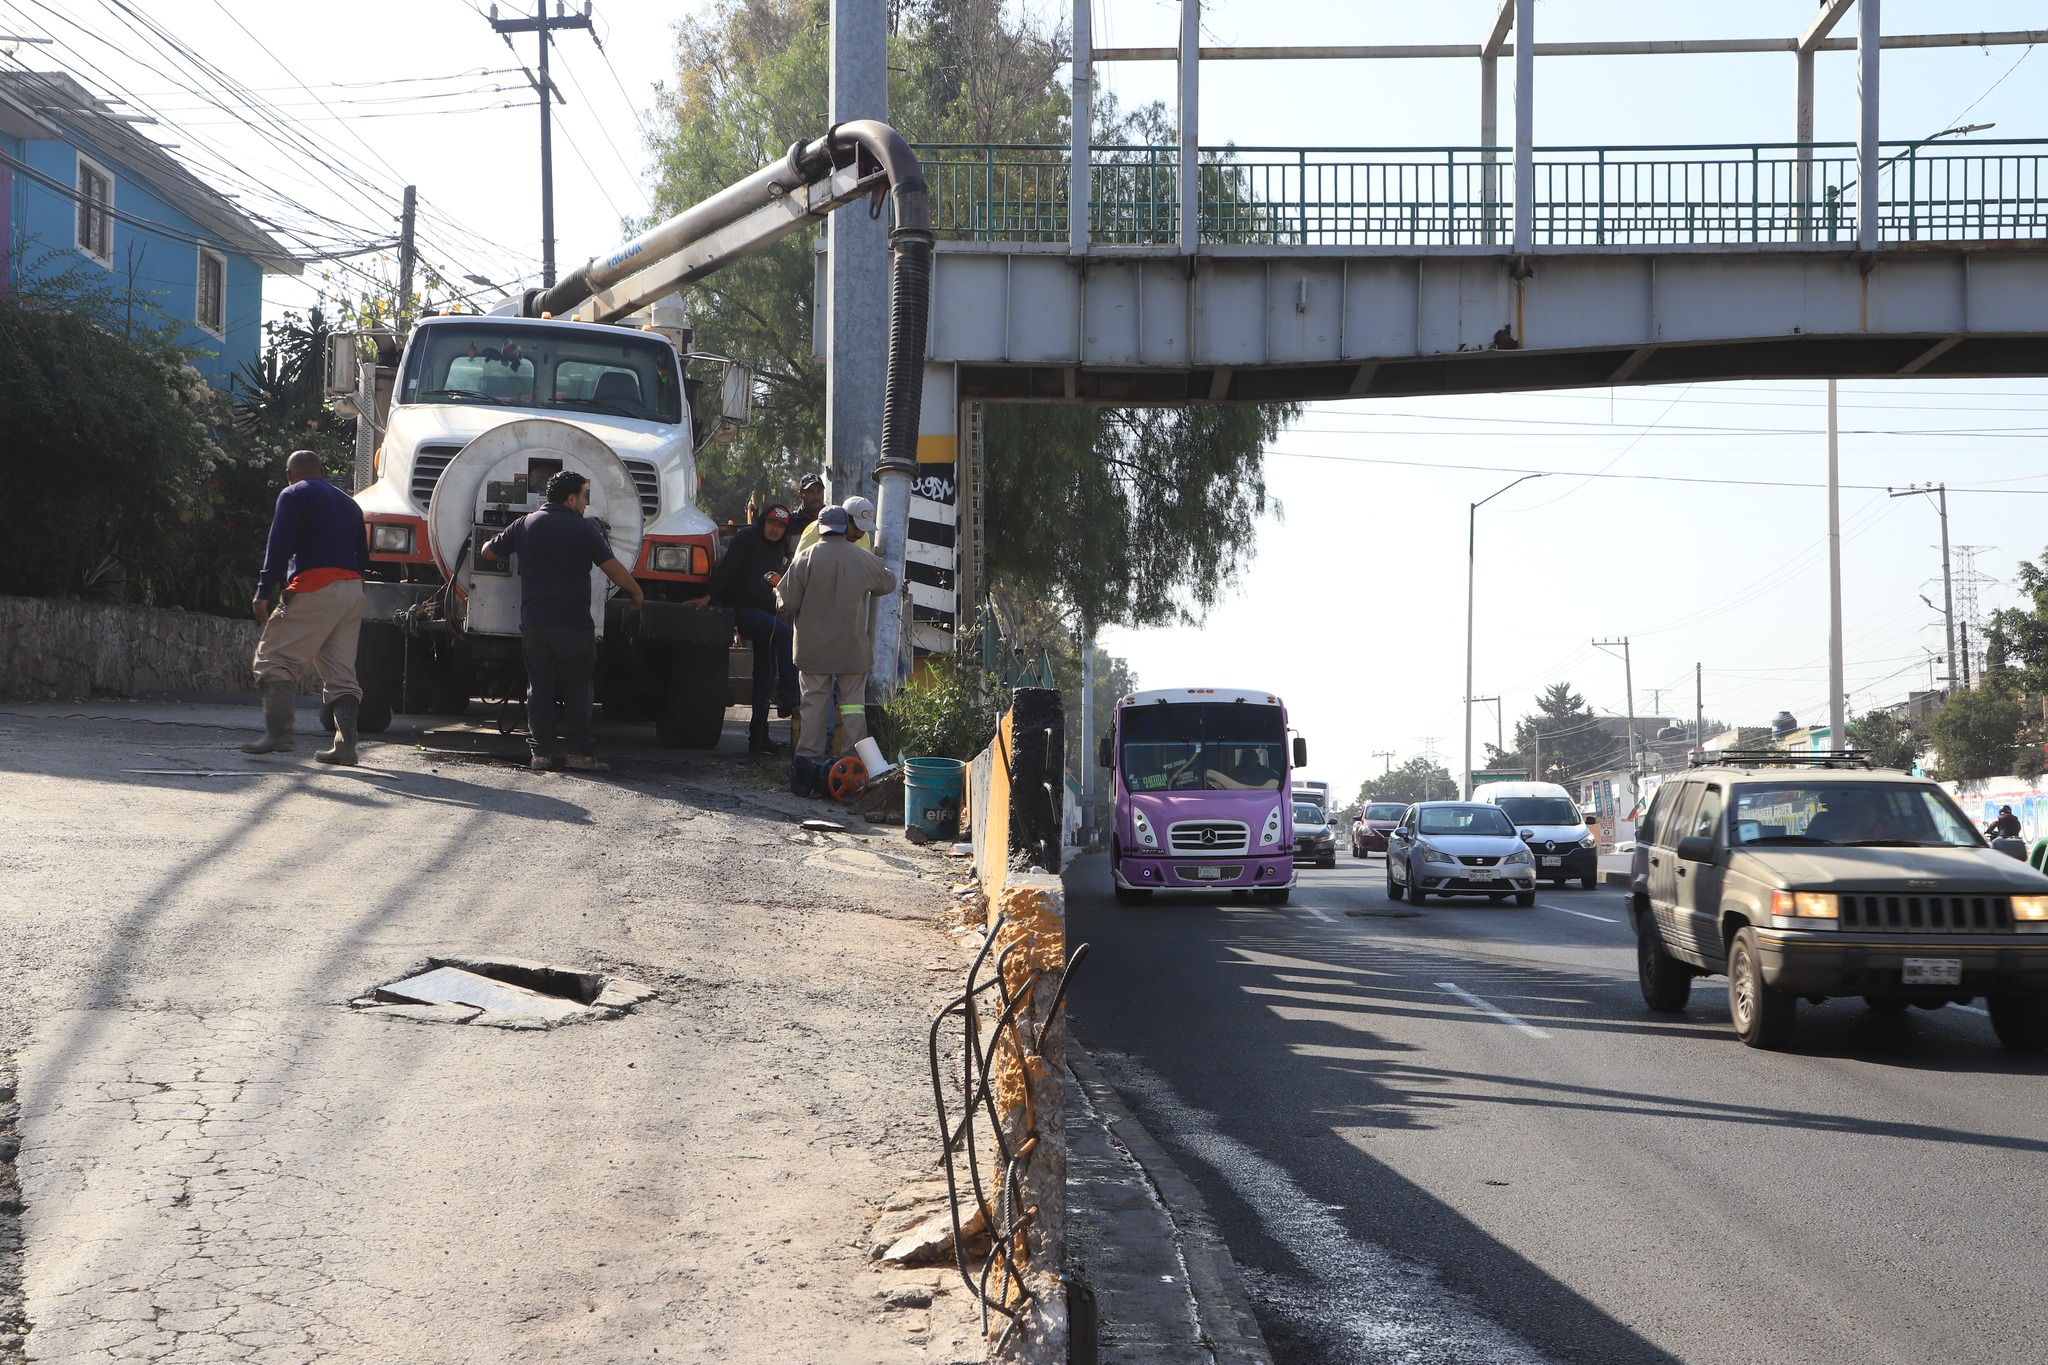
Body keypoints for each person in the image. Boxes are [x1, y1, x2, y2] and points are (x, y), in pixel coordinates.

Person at [479, 470, 644, 772]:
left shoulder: (524, 524)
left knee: (539, 688)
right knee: (578, 688)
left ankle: (541, 754)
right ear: (571, 498)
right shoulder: (584, 530)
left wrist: (497, 538)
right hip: (573, 622)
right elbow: (613, 569)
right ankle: (580, 753)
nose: (584, 503)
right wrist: (636, 592)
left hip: (535, 623)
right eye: (583, 497)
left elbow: (487, 552)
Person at [243, 450, 370, 763]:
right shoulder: (350, 503)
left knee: (274, 658)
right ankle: (346, 746)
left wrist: (263, 590)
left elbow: (279, 545)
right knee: (341, 671)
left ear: (290, 474)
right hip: (353, 591)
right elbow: (364, 557)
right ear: (324, 472)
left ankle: (279, 735)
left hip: (315, 587)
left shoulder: (293, 494)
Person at [776, 505, 897, 793]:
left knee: (814, 705)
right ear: (846, 528)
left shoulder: (805, 558)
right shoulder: (863, 559)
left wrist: (778, 598)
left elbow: (787, 604)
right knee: (853, 706)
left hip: (812, 649)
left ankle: (808, 766)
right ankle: (852, 768)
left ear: (819, 529)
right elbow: (888, 582)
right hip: (851, 650)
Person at [693, 502, 797, 753]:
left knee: (764, 673)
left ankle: (758, 738)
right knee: (785, 634)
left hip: (768, 613)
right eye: (772, 523)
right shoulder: (747, 537)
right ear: (763, 521)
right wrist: (708, 597)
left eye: (781, 526)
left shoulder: (781, 546)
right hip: (745, 610)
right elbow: (726, 569)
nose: (775, 529)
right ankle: (789, 695)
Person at [792, 493, 880, 559]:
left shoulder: (864, 537)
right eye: (856, 527)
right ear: (844, 519)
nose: (859, 534)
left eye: (864, 529)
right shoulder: (816, 530)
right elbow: (797, 568)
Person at [787, 472, 826, 545]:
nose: (816, 496)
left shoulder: (832, 521)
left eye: (819, 491)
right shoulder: (790, 523)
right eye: (810, 492)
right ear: (800, 495)